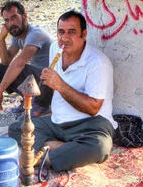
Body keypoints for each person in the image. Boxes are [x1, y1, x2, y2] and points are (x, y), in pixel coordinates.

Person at [8, 10, 118, 172]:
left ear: (84, 34)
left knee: (100, 147)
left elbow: (93, 108)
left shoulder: (98, 63)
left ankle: (43, 156)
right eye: (61, 32)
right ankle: (60, 148)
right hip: (57, 122)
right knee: (17, 129)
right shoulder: (55, 48)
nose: (64, 38)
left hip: (90, 125)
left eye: (71, 32)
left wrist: (59, 84)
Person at [0, 1, 54, 116]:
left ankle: (42, 105)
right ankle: (28, 99)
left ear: (25, 17)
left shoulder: (35, 34)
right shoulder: (17, 35)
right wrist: (1, 39)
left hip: (50, 83)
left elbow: (19, 63)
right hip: (38, 78)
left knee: (19, 67)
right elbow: (6, 61)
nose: (11, 23)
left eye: (14, 18)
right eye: (7, 20)